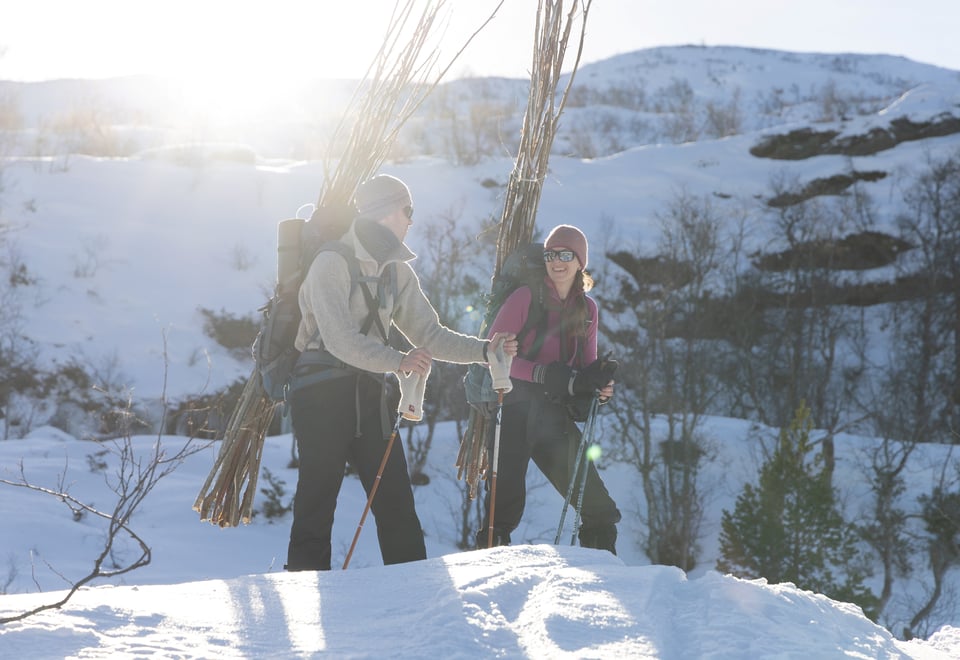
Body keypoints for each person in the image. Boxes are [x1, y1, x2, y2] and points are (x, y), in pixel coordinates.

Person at [285, 173, 517, 571]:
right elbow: (339, 339)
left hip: (370, 392)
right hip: (320, 391)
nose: (411, 220)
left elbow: (429, 335)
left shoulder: (397, 273)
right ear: (386, 211)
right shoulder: (330, 263)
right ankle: (307, 591)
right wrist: (398, 361)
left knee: (396, 499)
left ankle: (416, 593)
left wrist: (484, 351)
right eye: (407, 210)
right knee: (317, 498)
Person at [476, 224, 622, 553]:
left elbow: (586, 366)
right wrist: (542, 374)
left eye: (566, 255)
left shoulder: (587, 310)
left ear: (580, 261)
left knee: (598, 508)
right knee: (500, 516)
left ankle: (605, 581)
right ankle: (488, 582)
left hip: (553, 416)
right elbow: (491, 354)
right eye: (551, 255)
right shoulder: (524, 297)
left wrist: (599, 387)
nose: (557, 261)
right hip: (512, 411)